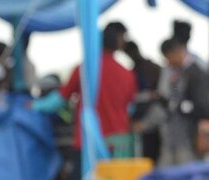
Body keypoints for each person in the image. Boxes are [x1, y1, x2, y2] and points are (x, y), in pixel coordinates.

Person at [33, 23, 137, 165]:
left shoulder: (84, 69)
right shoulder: (127, 74)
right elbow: (130, 107)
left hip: (88, 144)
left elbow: (60, 99)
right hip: (119, 145)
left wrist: (34, 105)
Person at [136, 37, 209, 166]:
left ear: (177, 52)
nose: (168, 62)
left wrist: (179, 106)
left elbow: (203, 107)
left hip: (191, 138)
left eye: (168, 58)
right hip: (176, 137)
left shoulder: (196, 74)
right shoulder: (179, 72)